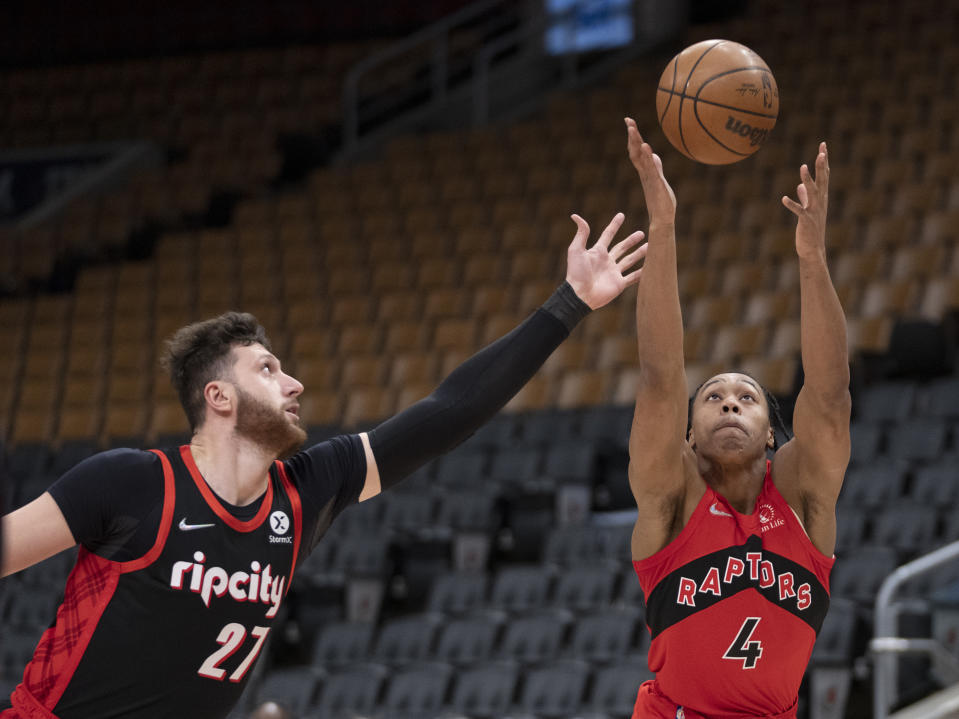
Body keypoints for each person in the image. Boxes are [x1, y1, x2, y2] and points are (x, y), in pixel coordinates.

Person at [0, 213, 647, 719]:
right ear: (217, 397)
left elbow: (452, 410)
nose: (295, 382)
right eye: (268, 368)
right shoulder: (132, 481)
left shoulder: (307, 489)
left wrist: (569, 303)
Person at [624, 118, 850, 719]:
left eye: (747, 397)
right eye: (714, 397)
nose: (729, 402)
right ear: (689, 433)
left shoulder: (802, 497)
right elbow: (659, 377)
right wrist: (663, 227)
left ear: (773, 435)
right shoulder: (672, 497)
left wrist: (812, 259)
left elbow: (828, 397)